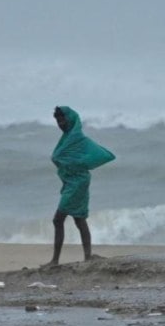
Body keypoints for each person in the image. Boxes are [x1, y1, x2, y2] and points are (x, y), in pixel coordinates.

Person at [46, 106, 115, 266]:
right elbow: (61, 159)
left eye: (62, 120)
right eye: (58, 121)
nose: (60, 124)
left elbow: (102, 155)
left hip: (78, 184)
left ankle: (55, 261)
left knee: (58, 220)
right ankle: (87, 256)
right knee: (79, 220)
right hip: (71, 183)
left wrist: (79, 164)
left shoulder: (80, 139)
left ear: (70, 120)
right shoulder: (66, 138)